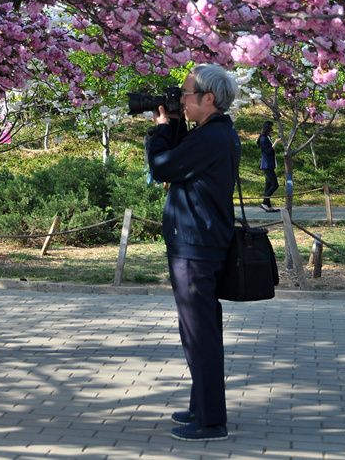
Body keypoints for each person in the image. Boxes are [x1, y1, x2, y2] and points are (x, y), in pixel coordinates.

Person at [147, 64, 240, 442]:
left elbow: (161, 166)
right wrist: (175, 125)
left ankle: (211, 421)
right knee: (202, 330)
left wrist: (162, 129)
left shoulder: (209, 139)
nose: (180, 102)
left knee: (198, 334)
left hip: (195, 248)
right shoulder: (217, 133)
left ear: (208, 99)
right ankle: (201, 406)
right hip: (203, 243)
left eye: (186, 95)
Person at [258, 121, 280, 212]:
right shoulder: (263, 139)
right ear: (267, 128)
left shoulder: (267, 137)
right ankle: (264, 202)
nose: (272, 130)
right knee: (275, 184)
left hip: (270, 164)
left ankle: (268, 205)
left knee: (268, 185)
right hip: (266, 165)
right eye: (271, 128)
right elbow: (268, 151)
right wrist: (275, 143)